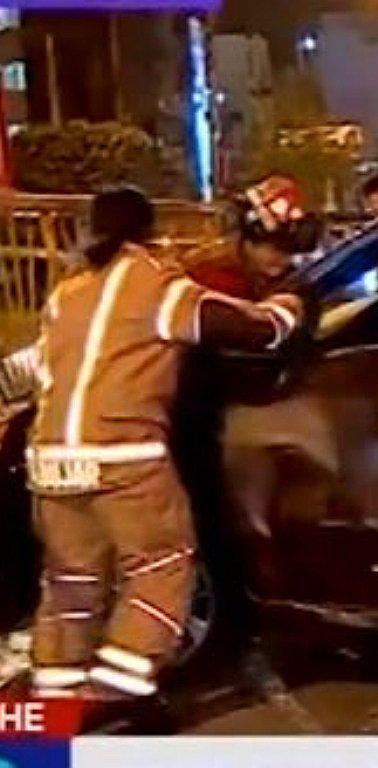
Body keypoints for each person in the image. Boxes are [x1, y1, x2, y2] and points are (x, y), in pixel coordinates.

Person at [0, 186, 303, 707]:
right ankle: (117, 694)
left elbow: (26, 369)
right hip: (125, 461)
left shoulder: (68, 294)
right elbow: (253, 330)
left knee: (71, 583)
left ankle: (54, 709)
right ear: (148, 230)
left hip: (49, 465)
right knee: (161, 566)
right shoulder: (159, 286)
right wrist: (291, 305)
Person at [190, 175, 322, 300]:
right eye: (276, 247)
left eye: (290, 251)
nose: (283, 258)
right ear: (245, 239)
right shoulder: (214, 282)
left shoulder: (289, 283)